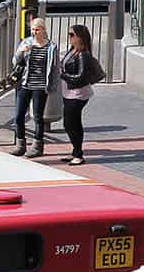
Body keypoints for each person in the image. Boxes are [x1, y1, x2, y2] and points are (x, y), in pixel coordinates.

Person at [10, 18, 61, 158]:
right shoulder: (26, 42)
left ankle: (38, 146)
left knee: (38, 117)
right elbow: (15, 61)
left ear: (43, 30)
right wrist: (21, 51)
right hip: (25, 84)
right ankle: (20, 144)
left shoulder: (51, 47)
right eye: (32, 29)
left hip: (40, 86)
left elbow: (56, 68)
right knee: (19, 116)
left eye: (37, 29)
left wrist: (52, 86)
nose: (34, 32)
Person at [60, 24, 102, 165]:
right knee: (72, 123)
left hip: (78, 94)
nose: (70, 38)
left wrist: (63, 75)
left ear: (80, 37)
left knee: (70, 124)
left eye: (72, 35)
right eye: (69, 35)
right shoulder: (72, 51)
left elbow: (80, 77)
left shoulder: (83, 54)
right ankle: (75, 152)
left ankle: (78, 154)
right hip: (68, 92)